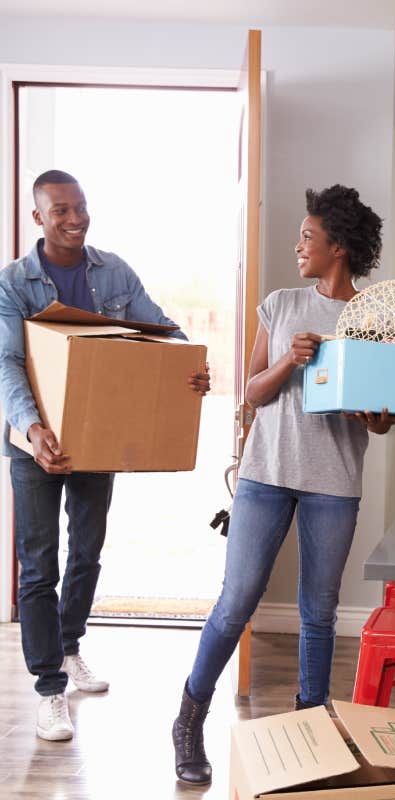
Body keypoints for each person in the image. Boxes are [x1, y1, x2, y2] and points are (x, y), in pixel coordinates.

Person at [171, 184, 395, 785]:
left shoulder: (375, 319)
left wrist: (374, 415)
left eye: (307, 237)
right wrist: (287, 362)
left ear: (339, 247)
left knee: (319, 612)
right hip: (265, 476)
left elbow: (384, 421)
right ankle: (190, 714)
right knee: (236, 602)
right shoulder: (279, 306)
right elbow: (250, 393)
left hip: (334, 482)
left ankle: (311, 730)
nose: (297, 246)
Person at [0, 170, 211, 742]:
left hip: (96, 435)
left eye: (81, 207)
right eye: (60, 210)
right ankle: (48, 690)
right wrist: (34, 428)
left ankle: (69, 649)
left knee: (87, 552)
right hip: (35, 443)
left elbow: (158, 328)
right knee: (40, 562)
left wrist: (186, 367)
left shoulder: (113, 271)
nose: (74, 219)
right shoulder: (14, 282)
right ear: (39, 218)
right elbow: (8, 363)